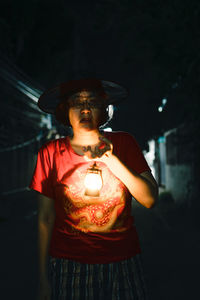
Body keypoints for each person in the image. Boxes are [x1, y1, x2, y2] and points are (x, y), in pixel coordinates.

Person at [29, 78, 158, 300]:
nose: (86, 108)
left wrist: (111, 159)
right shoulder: (50, 153)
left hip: (124, 261)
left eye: (93, 102)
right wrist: (42, 279)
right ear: (65, 110)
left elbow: (149, 199)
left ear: (103, 110)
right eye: (77, 102)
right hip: (70, 265)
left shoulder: (124, 143)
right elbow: (45, 219)